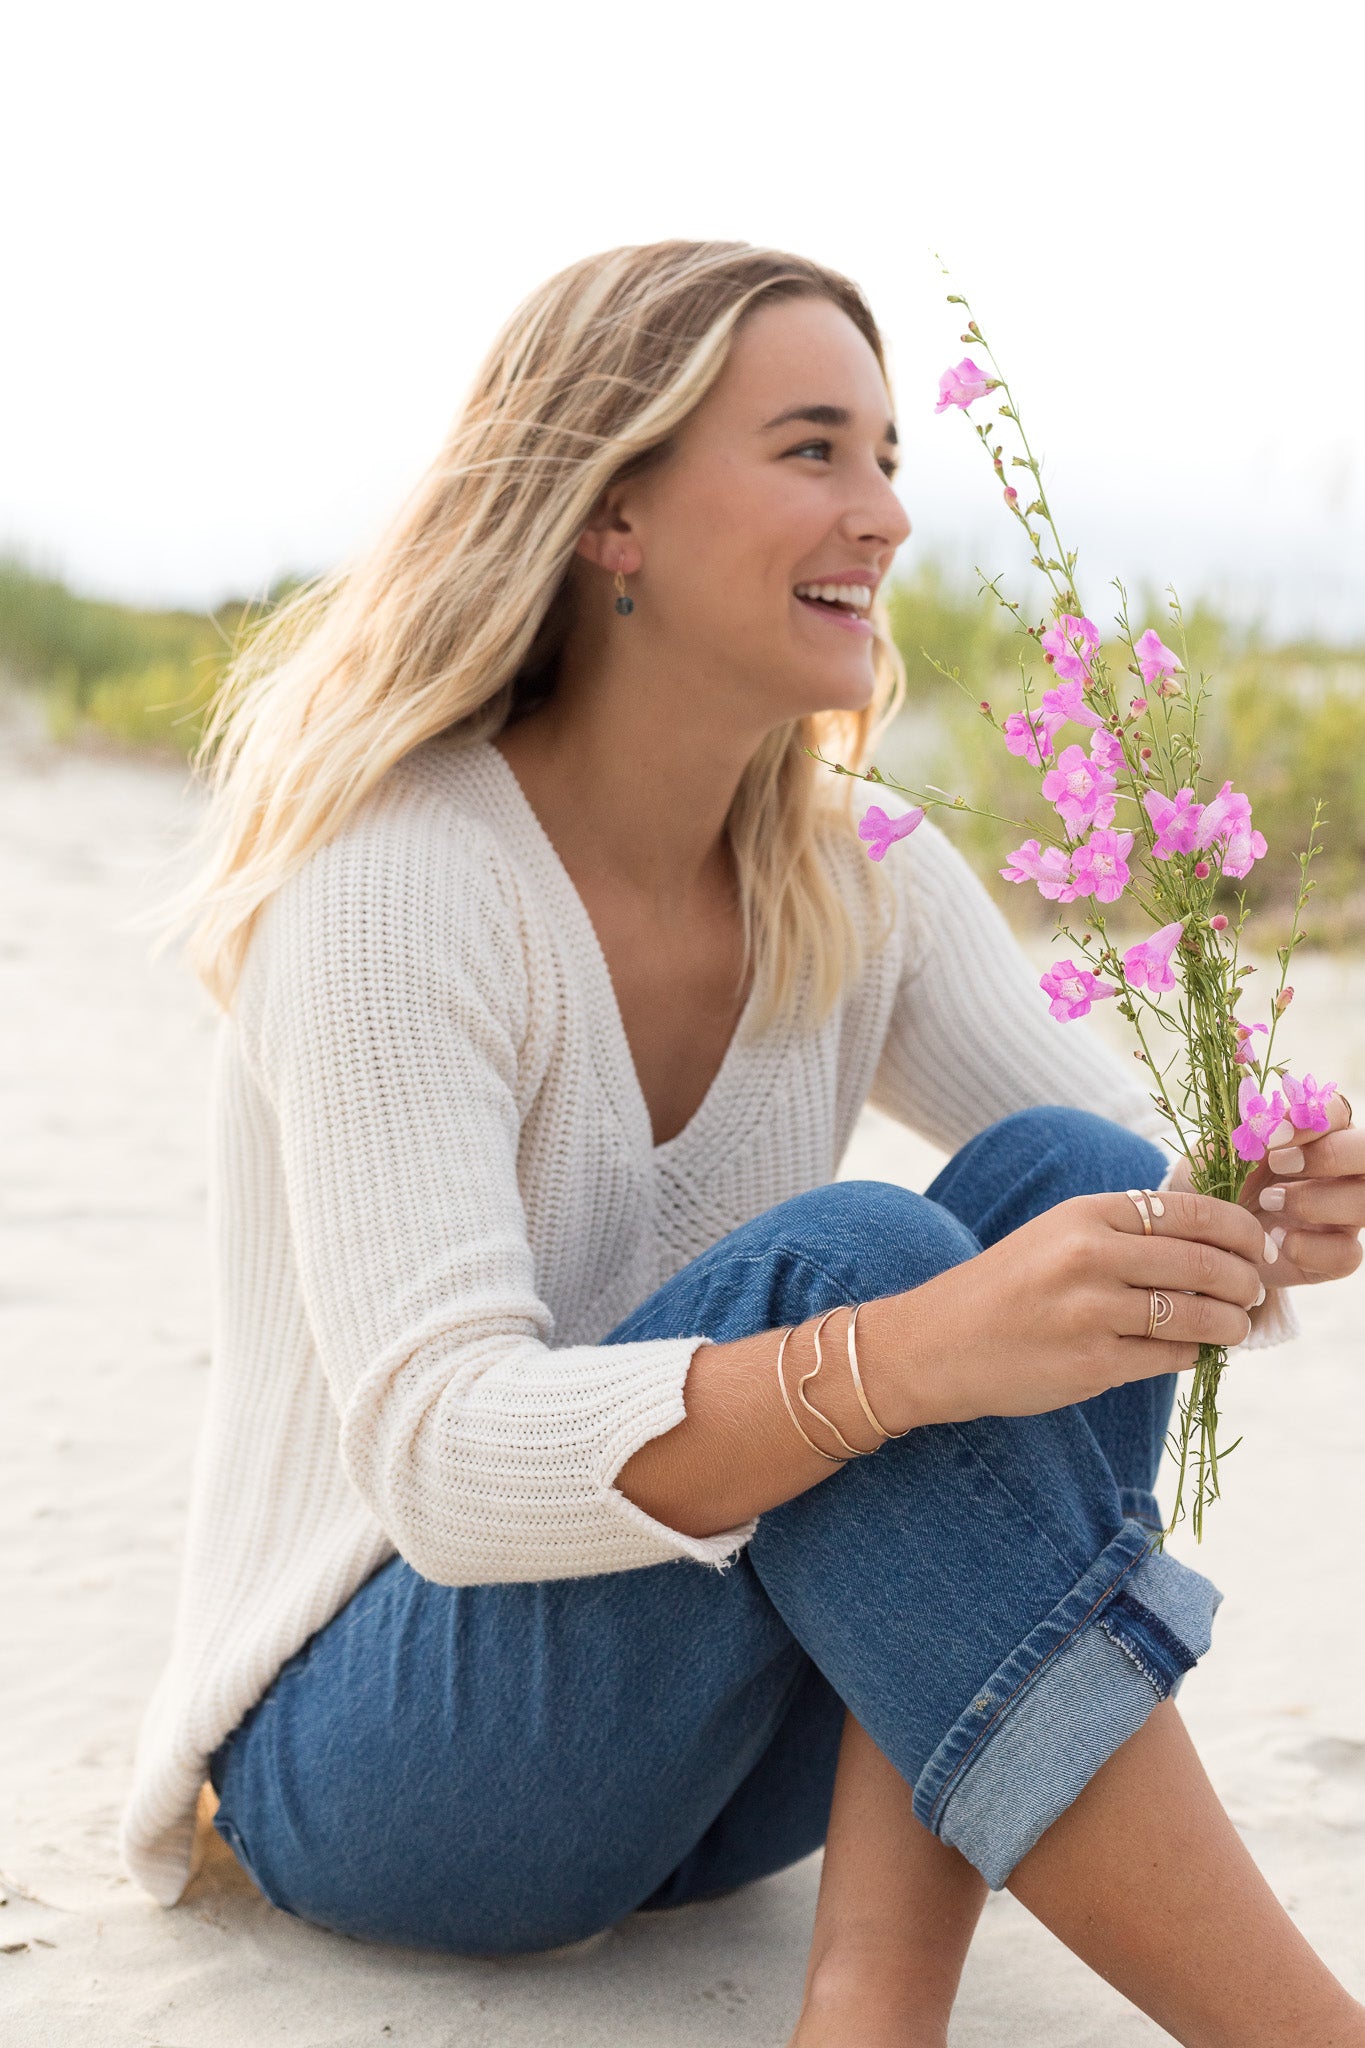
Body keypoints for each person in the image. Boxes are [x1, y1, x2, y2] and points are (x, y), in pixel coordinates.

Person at [121, 240, 1365, 2046]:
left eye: (886, 458)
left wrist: (1253, 1209)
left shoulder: (849, 865)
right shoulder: (393, 882)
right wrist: (907, 1352)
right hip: (392, 1764)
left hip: (718, 1766)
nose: (881, 514)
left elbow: (1111, 1184)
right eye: (811, 450)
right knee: (860, 1267)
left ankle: (867, 2016)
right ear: (612, 513)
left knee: (1074, 1189)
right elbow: (442, 1466)